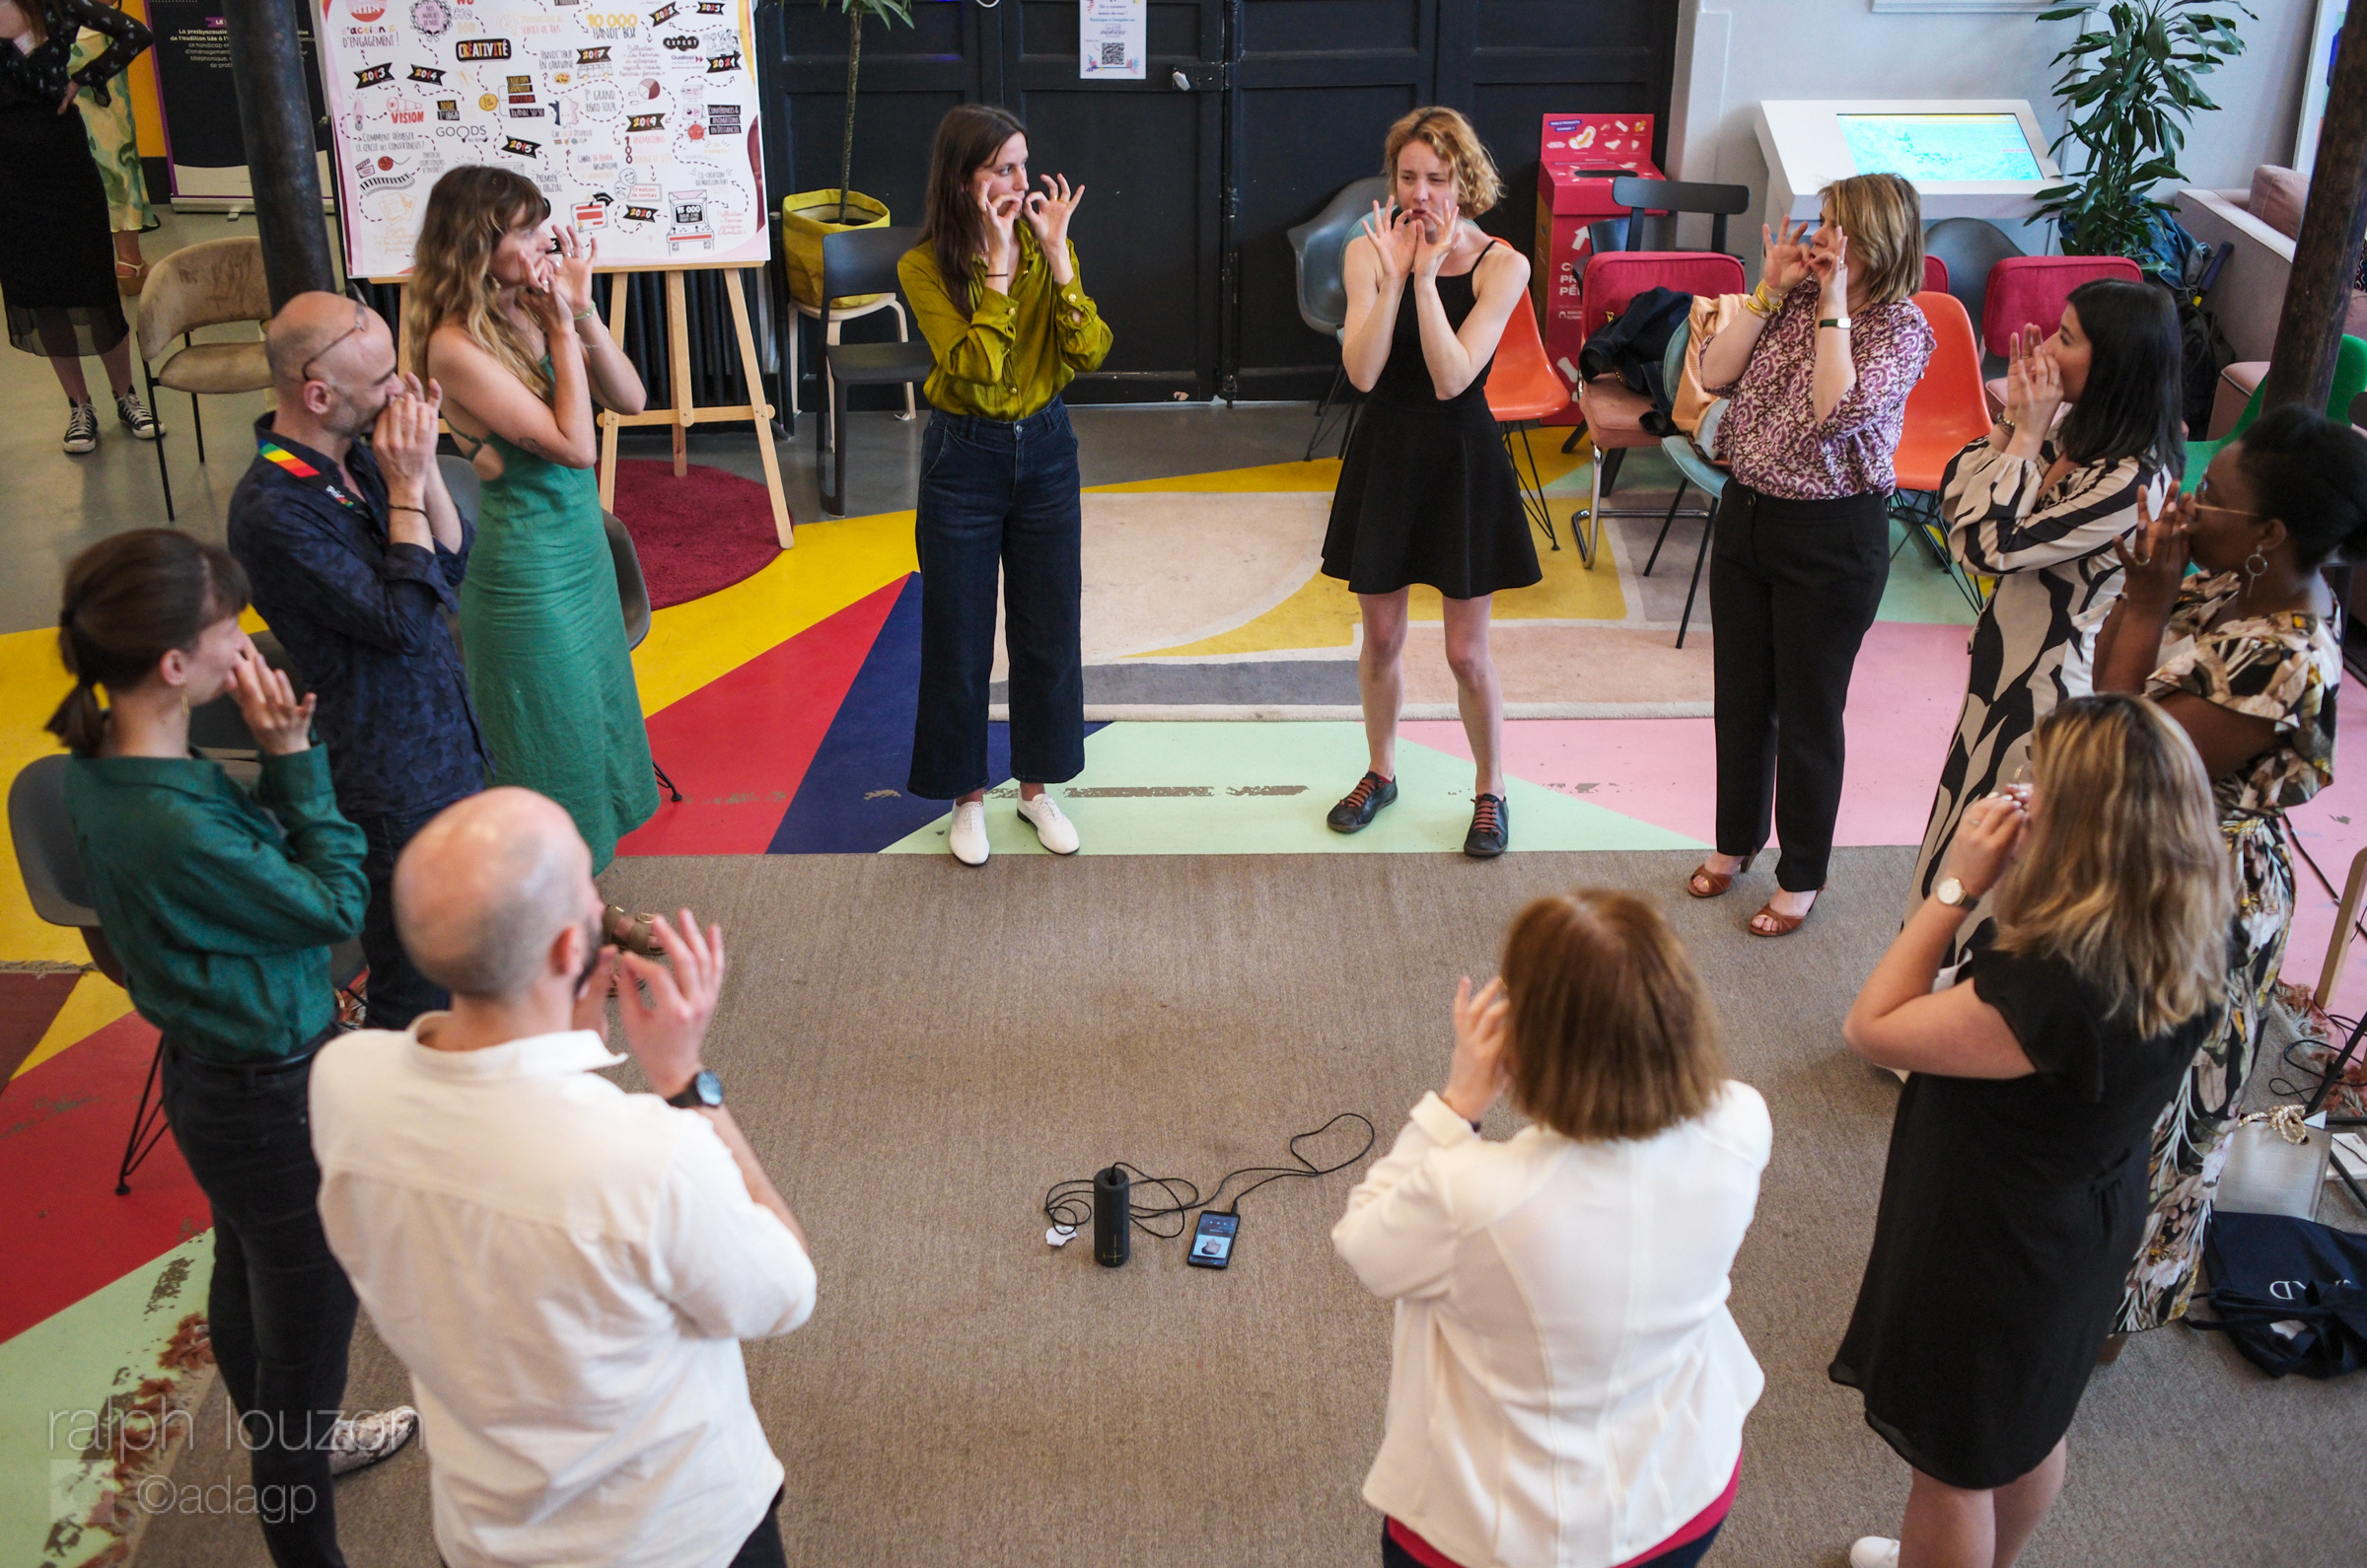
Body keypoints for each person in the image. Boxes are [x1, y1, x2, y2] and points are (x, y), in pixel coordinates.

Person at [310, 788, 816, 1568]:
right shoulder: (644, 1153)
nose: (606, 905)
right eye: (587, 886)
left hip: (483, 1539)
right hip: (678, 1540)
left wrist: (565, 1037)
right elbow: (785, 1293)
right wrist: (684, 1078)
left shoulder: (343, 1080)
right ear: (560, 953)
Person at [51, 531, 415, 1568]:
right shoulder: (170, 822)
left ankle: (291, 1435)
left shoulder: (113, 767)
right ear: (176, 667)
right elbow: (335, 902)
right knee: (301, 1358)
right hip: (267, 1098)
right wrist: (297, 765)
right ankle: (300, 1475)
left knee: (247, 1278)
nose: (242, 641)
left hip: (223, 1082)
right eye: (225, 628)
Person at [1831, 694, 2228, 1568]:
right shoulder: (2189, 922)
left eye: (2040, 780)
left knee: (1954, 1466)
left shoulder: (2051, 987)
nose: (2021, 792)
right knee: (2029, 1423)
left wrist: (1957, 883)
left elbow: (1874, 1026)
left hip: (1995, 1238)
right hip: (2084, 1215)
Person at [1333, 891, 1770, 1568]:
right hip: (1682, 1493)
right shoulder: (1743, 1120)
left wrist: (1457, 1105)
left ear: (1523, 1037)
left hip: (1494, 1537)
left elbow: (1363, 1245)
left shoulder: (1471, 1192)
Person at [2089, 404, 2366, 1336]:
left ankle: (2113, 1307)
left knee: (2164, 1109)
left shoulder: (2284, 654)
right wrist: (2151, 595)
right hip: (2153, 854)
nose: (2192, 505)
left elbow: (2121, 742)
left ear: (2272, 534)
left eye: (2213, 497)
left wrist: (2148, 598)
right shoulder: (2236, 594)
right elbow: (2106, 685)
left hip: (2198, 892)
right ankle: (2074, 1273)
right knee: (2108, 1084)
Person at [228, 292, 491, 1031]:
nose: (398, 393)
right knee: (416, 979)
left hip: (448, 740)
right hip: (389, 777)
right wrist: (406, 482)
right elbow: (405, 623)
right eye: (380, 383)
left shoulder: (359, 455)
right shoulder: (274, 510)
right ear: (318, 394)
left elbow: (452, 559)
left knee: (467, 953)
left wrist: (423, 464)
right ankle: (398, 1134)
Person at [1685, 174, 1935, 935]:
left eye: (1836, 228)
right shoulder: (1791, 297)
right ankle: (1734, 843)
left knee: (1807, 713)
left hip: (1832, 538)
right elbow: (1714, 374)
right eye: (1821, 223)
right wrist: (1767, 292)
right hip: (1749, 515)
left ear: (1877, 240)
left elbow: (1836, 411)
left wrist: (1831, 308)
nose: (1819, 238)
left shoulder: (1901, 327)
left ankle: (1803, 874)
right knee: (1739, 698)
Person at [1909, 278, 2185, 963]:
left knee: (1998, 861)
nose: (2047, 349)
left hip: (2049, 693)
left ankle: (1955, 1023)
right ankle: (1914, 998)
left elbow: (1984, 547)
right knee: (1956, 832)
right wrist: (2015, 427)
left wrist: (2024, 433)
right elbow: (1952, 497)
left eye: (2066, 337)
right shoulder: (2074, 434)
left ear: (2114, 361)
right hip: (2003, 669)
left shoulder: (2132, 481)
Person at [407, 166, 658, 877]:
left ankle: (581, 909)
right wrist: (556, 327)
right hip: (527, 579)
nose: (545, 236)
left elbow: (631, 399)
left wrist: (580, 314)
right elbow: (578, 447)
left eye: (538, 219)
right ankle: (548, 923)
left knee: (590, 729)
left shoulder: (533, 307)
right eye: (523, 229)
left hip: (580, 558)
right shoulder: (455, 347)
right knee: (548, 746)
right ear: (474, 247)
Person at [1321, 106, 1540, 859]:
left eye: (1436, 178)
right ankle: (1381, 772)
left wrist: (1422, 277)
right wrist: (1392, 272)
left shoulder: (1503, 265)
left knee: (1464, 653)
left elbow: (1452, 378)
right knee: (1380, 636)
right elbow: (1364, 371)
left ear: (1465, 181)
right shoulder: (1364, 254)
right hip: (1386, 450)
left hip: (1459, 458)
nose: (1420, 193)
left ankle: (1492, 788)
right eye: (1408, 177)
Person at [899, 104, 1111, 866]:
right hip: (964, 461)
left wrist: (1056, 261)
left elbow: (1088, 349)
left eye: (1025, 164)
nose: (1024, 182)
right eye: (1005, 169)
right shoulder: (922, 267)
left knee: (1049, 629)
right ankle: (965, 799)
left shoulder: (1047, 238)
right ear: (965, 182)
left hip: (1048, 450)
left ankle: (1035, 790)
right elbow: (976, 366)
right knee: (958, 636)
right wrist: (997, 265)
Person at [0, 0, 160, 454]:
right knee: (39, 292)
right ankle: (79, 406)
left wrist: (83, 78)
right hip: (9, 177)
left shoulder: (58, 6)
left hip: (65, 166)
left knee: (94, 284)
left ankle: (126, 396)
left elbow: (136, 34)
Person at [68, 0, 152, 293]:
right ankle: (129, 260)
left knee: (70, 151)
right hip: (95, 42)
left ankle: (78, 264)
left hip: (47, 45)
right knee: (115, 151)